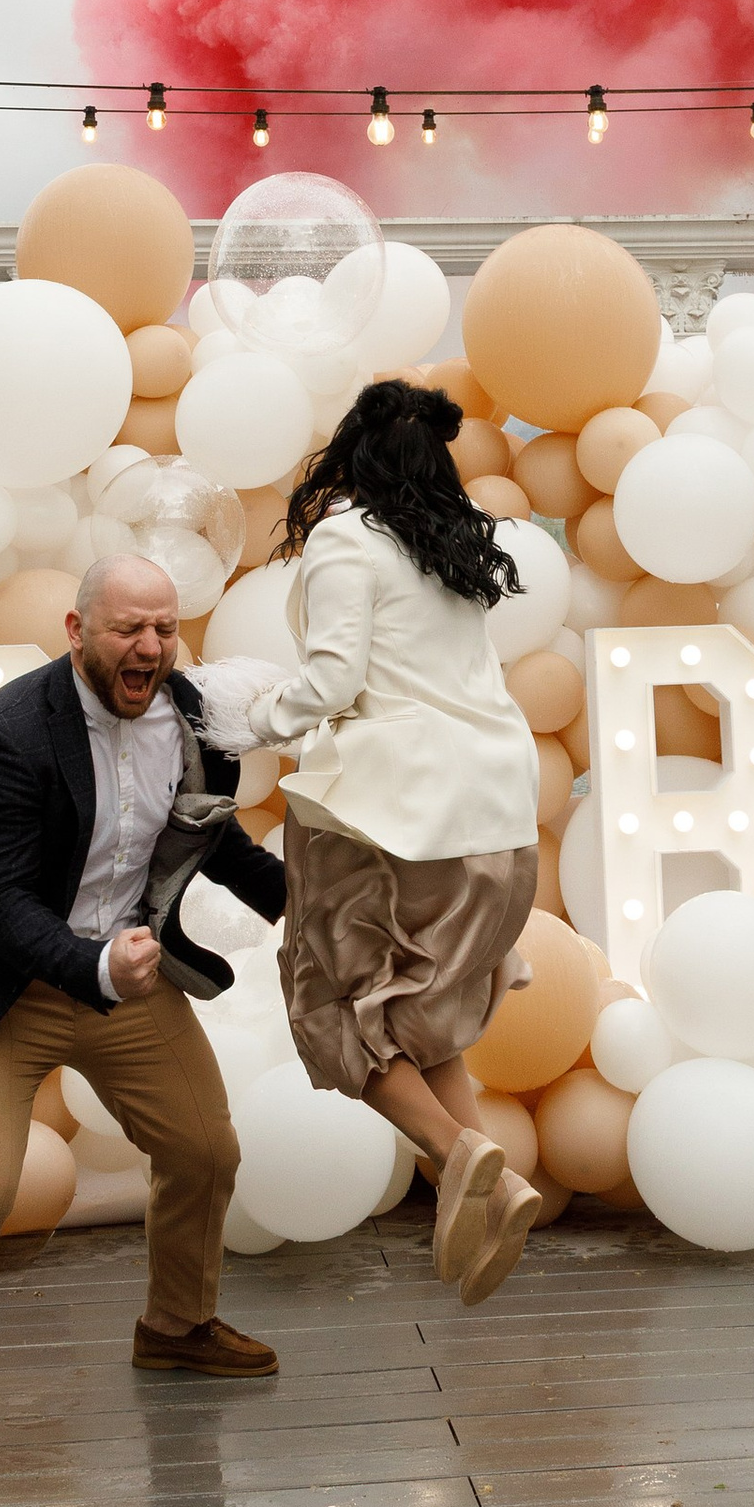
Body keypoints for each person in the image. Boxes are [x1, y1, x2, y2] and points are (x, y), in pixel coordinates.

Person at [0, 553, 288, 1491]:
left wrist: (315, 911)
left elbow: (216, 842)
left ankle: (175, 1325)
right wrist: (94, 966)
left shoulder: (194, 721)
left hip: (126, 982)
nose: (150, 647)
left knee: (206, 1150)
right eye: (128, 629)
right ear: (78, 631)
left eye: (164, 628)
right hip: (4, 989)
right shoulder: (4, 735)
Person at [252, 380, 546, 1309]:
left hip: (389, 818)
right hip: (497, 819)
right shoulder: (450, 546)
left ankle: (458, 1155)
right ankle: (497, 1189)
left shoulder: (347, 538)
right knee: (422, 1020)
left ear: (351, 455)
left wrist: (249, 719)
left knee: (332, 1008)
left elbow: (334, 679)